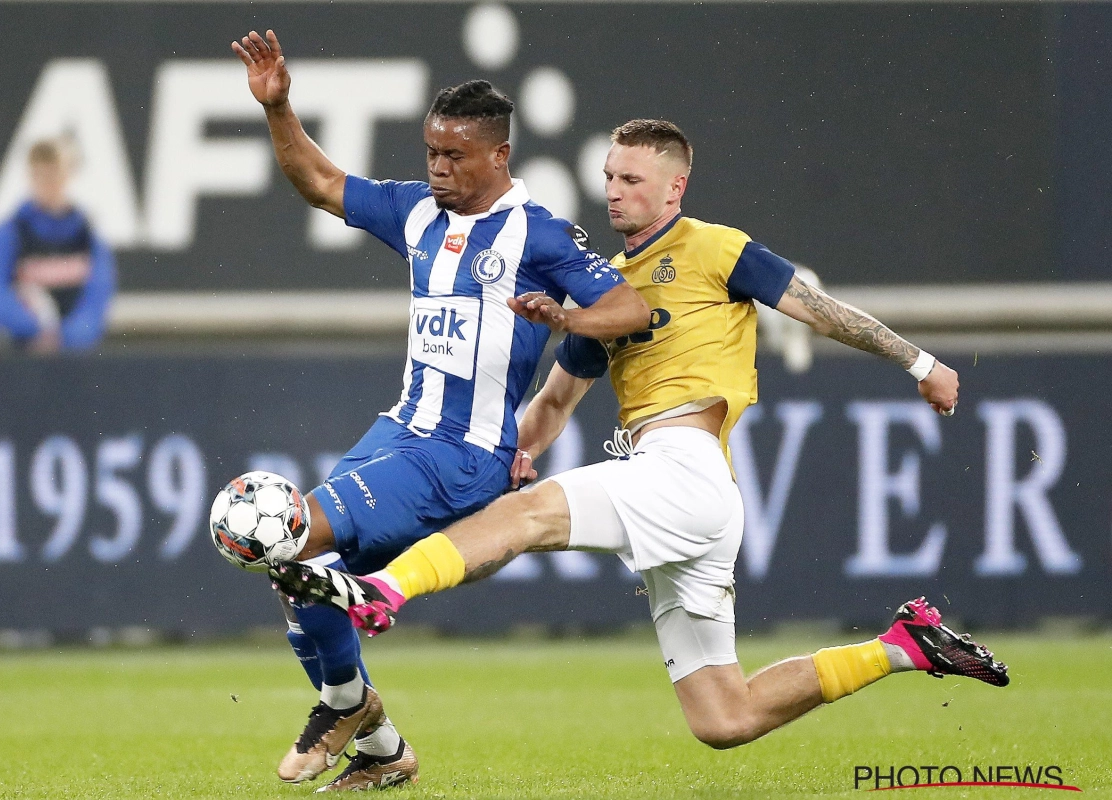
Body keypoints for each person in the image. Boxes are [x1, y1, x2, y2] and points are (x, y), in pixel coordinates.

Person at [270, 119, 1009, 759]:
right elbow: (555, 404)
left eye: (631, 177)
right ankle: (903, 647)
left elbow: (819, 311)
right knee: (725, 719)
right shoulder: (607, 291)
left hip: (685, 471)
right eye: (609, 176)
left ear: (675, 188)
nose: (615, 189)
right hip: (687, 495)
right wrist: (515, 451)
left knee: (523, 522)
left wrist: (920, 362)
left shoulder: (717, 250)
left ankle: (379, 592)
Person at [230, 30, 650, 790]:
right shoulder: (416, 212)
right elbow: (321, 182)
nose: (438, 168)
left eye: (455, 156)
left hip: (462, 456)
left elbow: (631, 309)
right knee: (294, 573)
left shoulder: (540, 234)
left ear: (500, 156)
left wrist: (567, 321)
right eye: (431, 152)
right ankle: (382, 742)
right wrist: (280, 108)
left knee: (292, 537)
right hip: (400, 429)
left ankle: (340, 706)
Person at [0, 139, 116, 353]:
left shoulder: (87, 235)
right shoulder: (10, 232)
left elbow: (97, 299)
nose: (46, 184)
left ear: (67, 175)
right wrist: (34, 329)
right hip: (22, 354)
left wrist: (66, 337)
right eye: (39, 175)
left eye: (53, 175)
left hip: (73, 358)